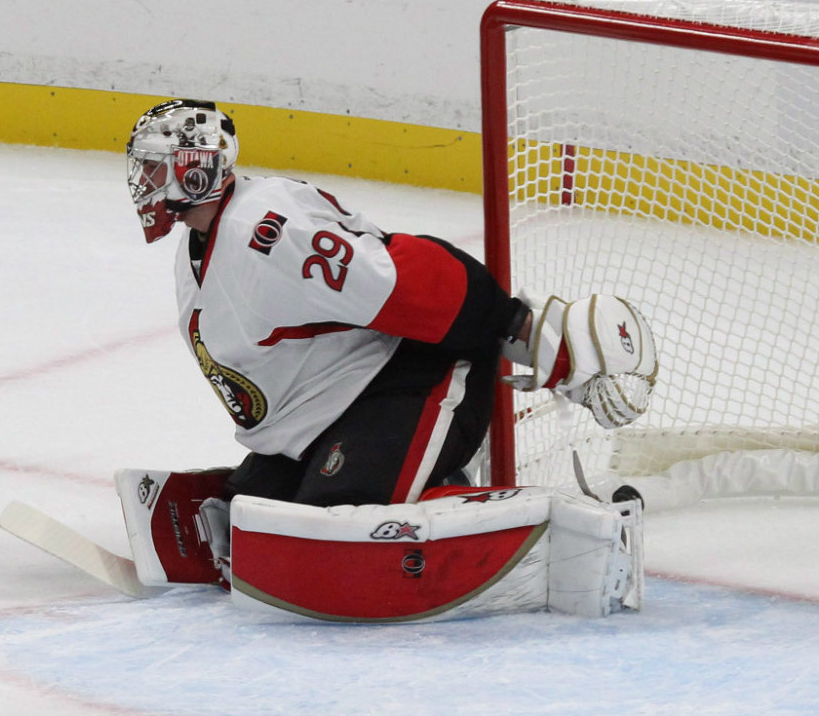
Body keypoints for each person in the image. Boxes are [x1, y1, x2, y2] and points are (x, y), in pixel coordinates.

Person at [121, 100, 657, 611]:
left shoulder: (267, 232)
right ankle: (421, 486)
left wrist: (517, 326)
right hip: (332, 411)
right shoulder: (203, 244)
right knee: (253, 524)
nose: (143, 182)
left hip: (416, 377)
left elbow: (404, 278)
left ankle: (577, 532)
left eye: (154, 168)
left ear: (195, 171)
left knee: (334, 531)